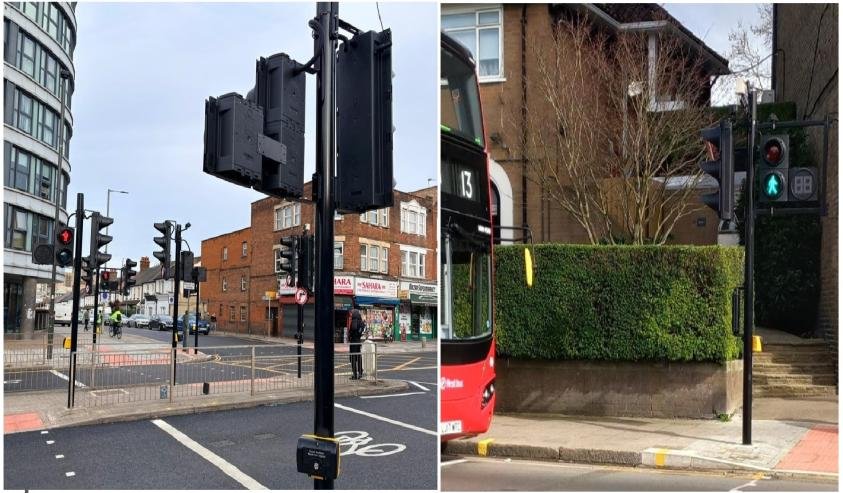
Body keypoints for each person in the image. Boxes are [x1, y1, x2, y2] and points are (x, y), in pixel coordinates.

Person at [348, 307, 366, 380]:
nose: (351, 315)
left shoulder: (354, 322)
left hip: (353, 342)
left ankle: (355, 374)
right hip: (358, 341)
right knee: (359, 357)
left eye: (352, 314)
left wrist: (350, 335)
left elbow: (351, 332)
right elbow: (361, 330)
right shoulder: (361, 323)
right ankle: (360, 372)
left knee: (352, 358)